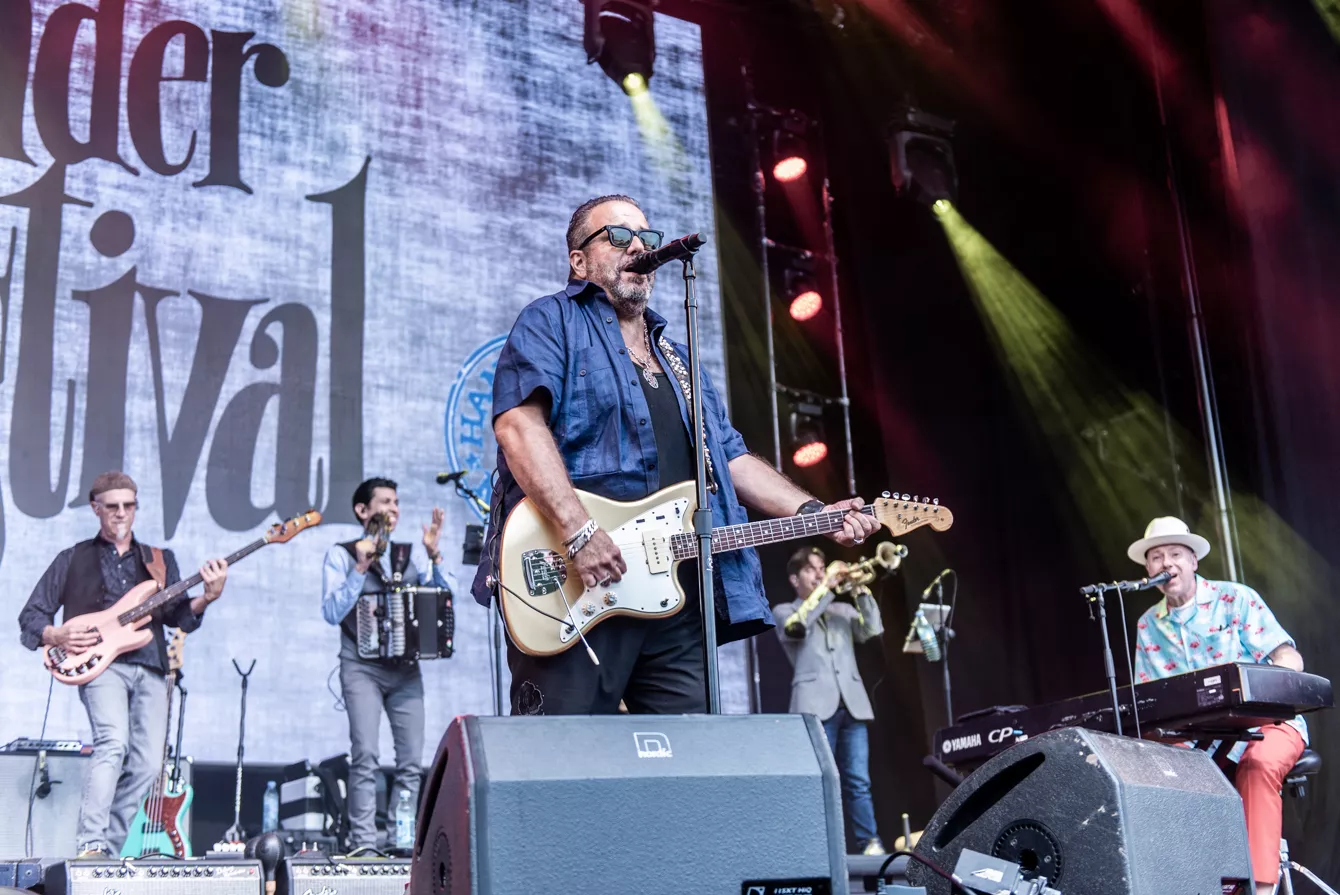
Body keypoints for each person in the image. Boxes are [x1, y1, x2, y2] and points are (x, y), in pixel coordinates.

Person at [470, 193, 879, 715]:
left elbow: (729, 458)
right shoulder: (551, 321)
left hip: (676, 597)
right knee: (567, 753)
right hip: (578, 584)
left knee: (690, 754)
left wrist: (815, 513)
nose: (638, 247)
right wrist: (579, 531)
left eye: (646, 237)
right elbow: (518, 427)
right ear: (579, 261)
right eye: (619, 236)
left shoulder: (679, 358)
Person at [17, 471, 229, 857]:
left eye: (128, 506)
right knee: (113, 743)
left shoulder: (159, 560)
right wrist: (57, 634)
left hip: (151, 665)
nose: (120, 513)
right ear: (95, 508)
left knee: (149, 765)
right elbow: (31, 616)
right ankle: (91, 843)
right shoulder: (72, 558)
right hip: (101, 668)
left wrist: (208, 597)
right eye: (112, 506)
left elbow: (179, 616)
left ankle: (109, 851)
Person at [1128, 517, 1306, 894]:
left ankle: (1260, 888)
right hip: (1201, 738)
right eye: (1156, 557)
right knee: (1162, 777)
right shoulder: (1147, 625)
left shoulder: (1235, 598)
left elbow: (1289, 658)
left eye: (1175, 554)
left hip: (1267, 723)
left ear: (1193, 560)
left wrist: (1272, 686)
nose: (1166, 563)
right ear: (1148, 569)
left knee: (1258, 764)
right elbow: (1149, 701)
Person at [321, 477, 456, 850]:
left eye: (396, 502)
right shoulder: (341, 554)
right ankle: (364, 843)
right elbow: (331, 612)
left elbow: (444, 599)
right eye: (385, 502)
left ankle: (402, 842)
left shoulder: (408, 555)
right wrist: (359, 570)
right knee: (365, 755)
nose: (393, 509)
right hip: (360, 667)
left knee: (411, 760)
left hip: (406, 670)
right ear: (362, 510)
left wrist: (434, 555)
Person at [773, 546, 885, 856]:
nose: (819, 573)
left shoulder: (841, 610)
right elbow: (797, 628)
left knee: (859, 781)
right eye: (811, 569)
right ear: (795, 579)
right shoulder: (785, 612)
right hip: (814, 708)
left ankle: (870, 843)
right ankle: (820, 848)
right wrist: (827, 587)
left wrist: (861, 591)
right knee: (819, 780)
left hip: (852, 704)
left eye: (822, 568)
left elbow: (873, 629)